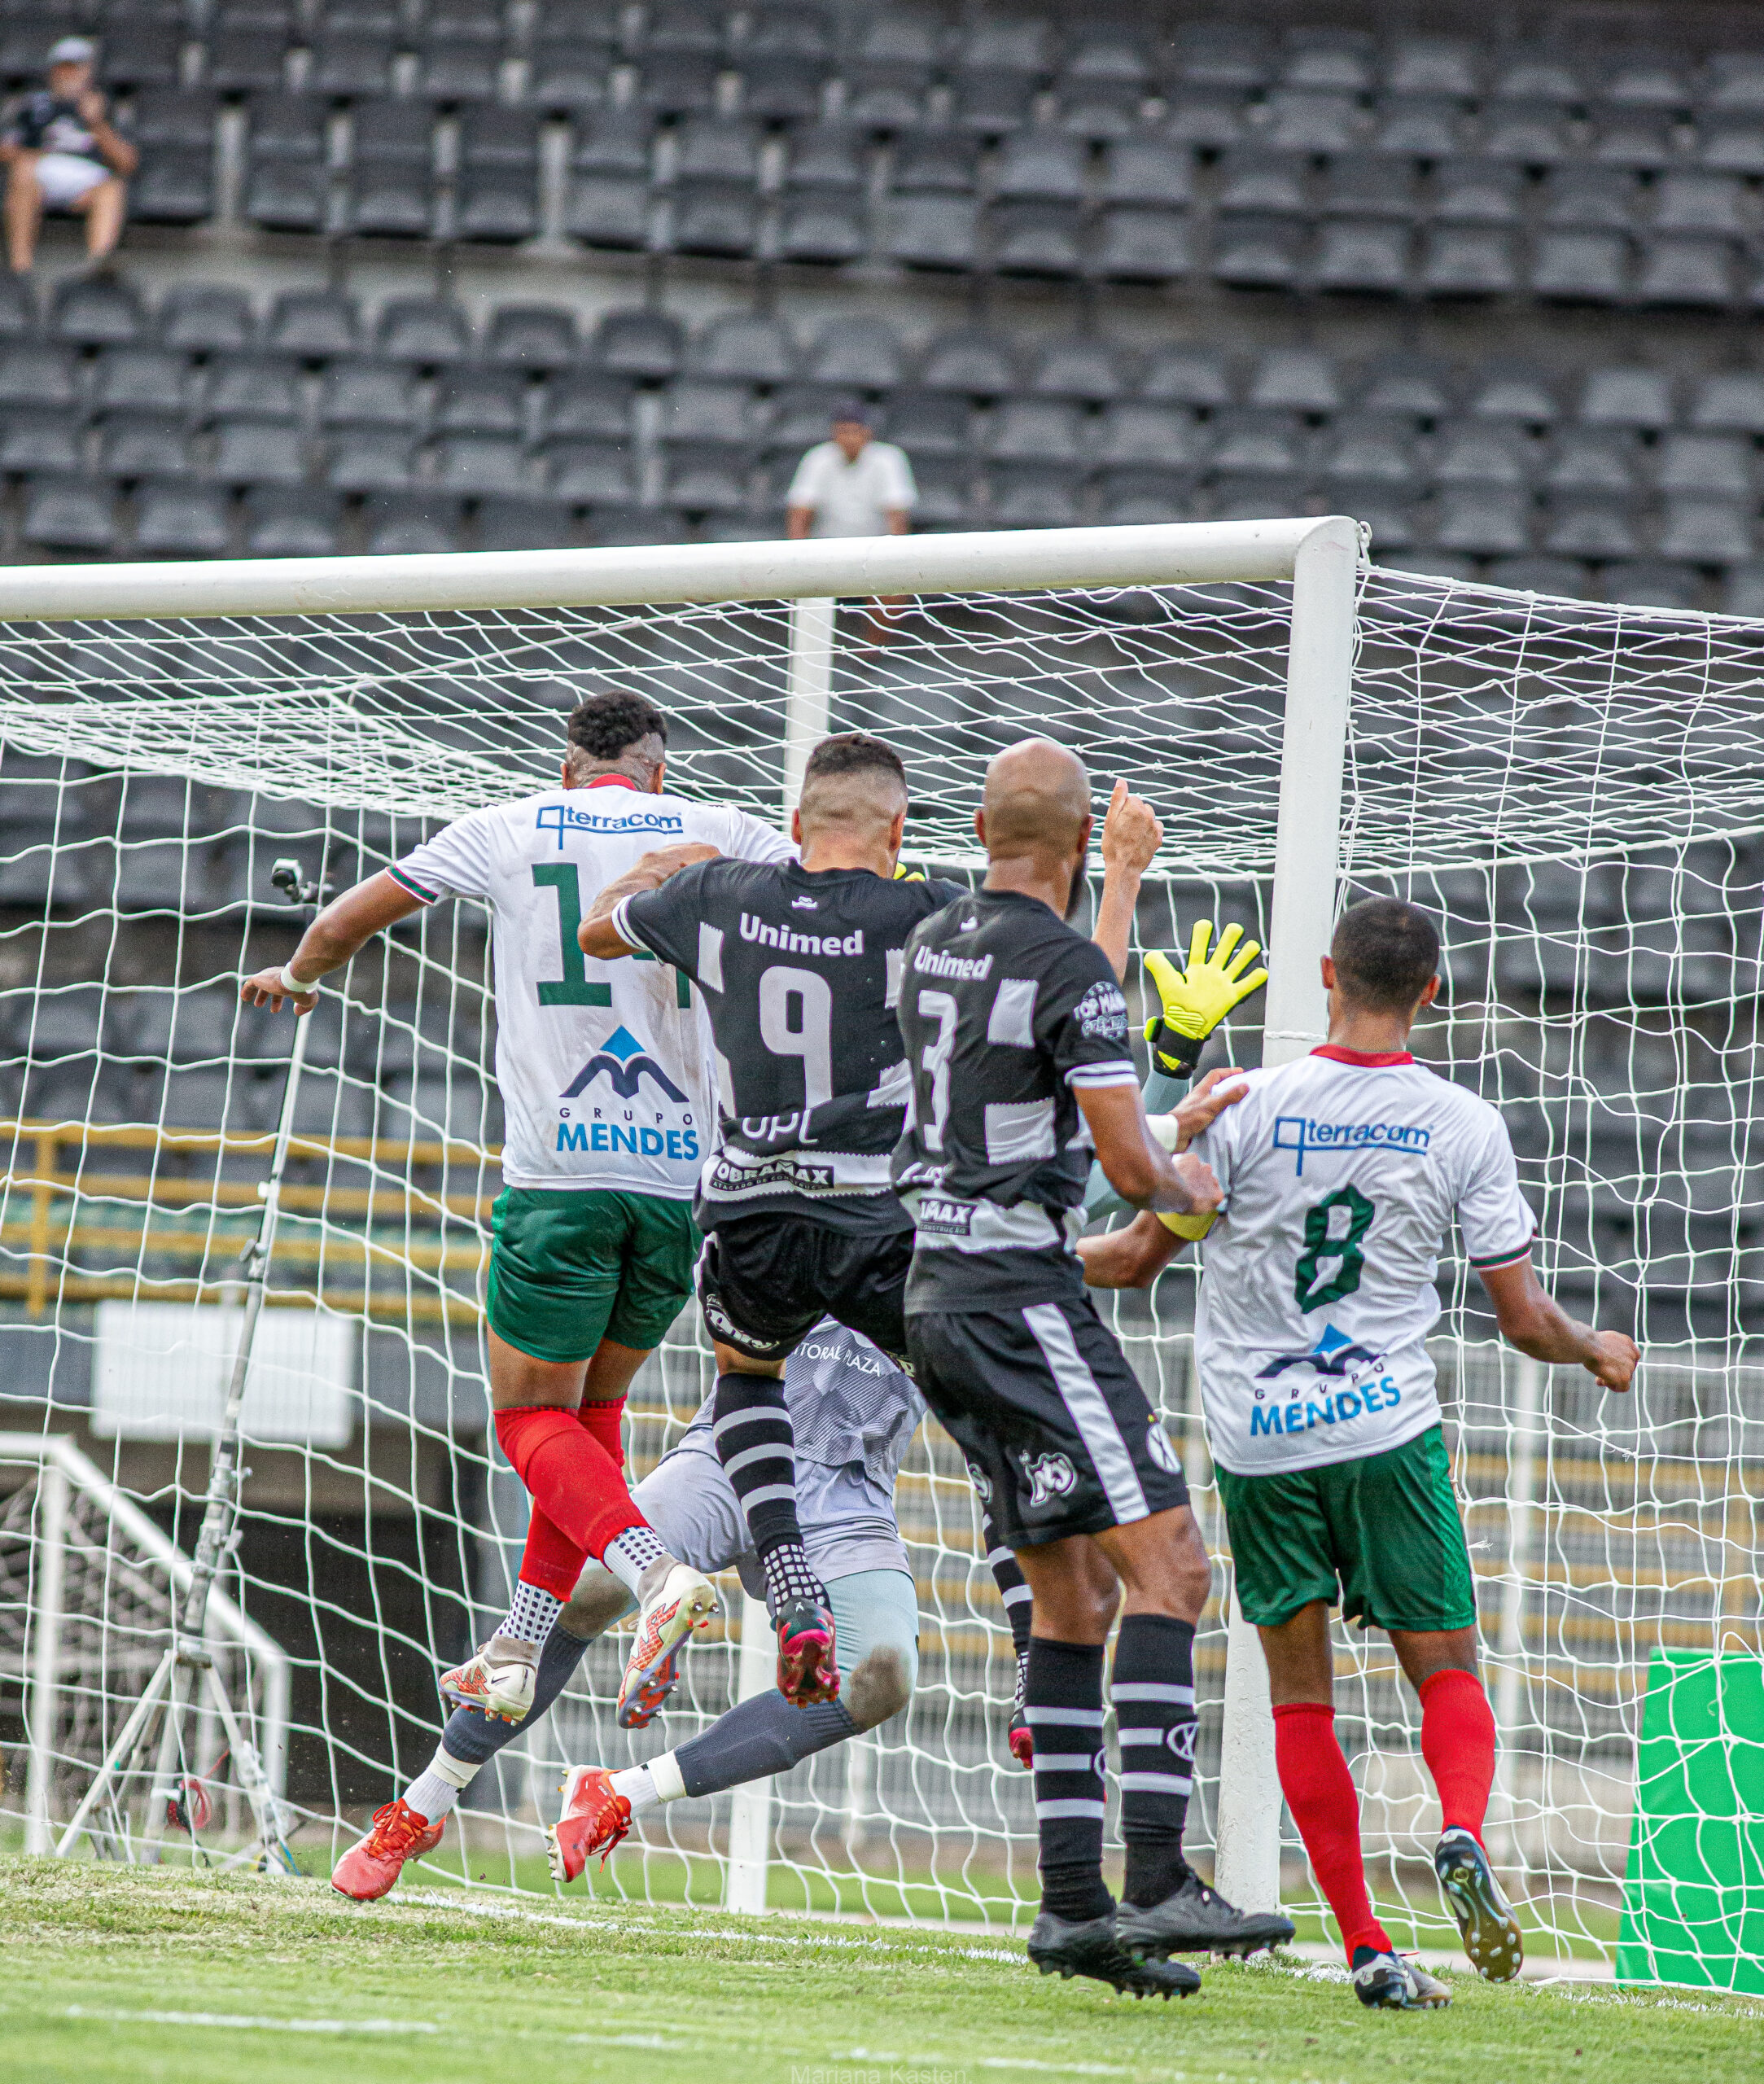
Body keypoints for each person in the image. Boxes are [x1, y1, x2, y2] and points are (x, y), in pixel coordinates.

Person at [243, 691, 798, 1887]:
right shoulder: (730, 829)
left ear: (567, 762)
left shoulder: (504, 827)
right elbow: (833, 887)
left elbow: (355, 914)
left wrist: (297, 972)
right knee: (588, 1428)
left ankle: (656, 1576)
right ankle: (517, 1643)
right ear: (656, 769)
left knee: (525, 1421)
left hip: (557, 1176)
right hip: (677, 1191)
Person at [1079, 895, 1641, 2012]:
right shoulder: (1460, 1123)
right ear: (1430, 992)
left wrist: (1013, 1250)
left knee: (1299, 1701)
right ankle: (1462, 1833)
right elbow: (1521, 1320)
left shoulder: (1239, 1106)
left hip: (1259, 1439)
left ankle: (1367, 1948)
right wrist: (1596, 1350)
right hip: (1384, 1429)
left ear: (1326, 975)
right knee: (1445, 1668)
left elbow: (1133, 1260)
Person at [577, 733, 1159, 1722]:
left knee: (745, 1380)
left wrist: (661, 868)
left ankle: (792, 1586)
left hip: (750, 1211)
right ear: (899, 832)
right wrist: (1118, 881)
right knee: (985, 1407)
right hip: (879, 1218)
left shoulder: (720, 897)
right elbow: (1065, 994)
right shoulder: (927, 916)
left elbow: (596, 933)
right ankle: (1031, 1638)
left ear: (797, 824)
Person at [891, 738, 1296, 1999]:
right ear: (1074, 843)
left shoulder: (936, 943)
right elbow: (1128, 1162)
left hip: (938, 1300)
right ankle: (1160, 1874)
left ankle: (1073, 1909)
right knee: (1170, 1566)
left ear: (977, 830)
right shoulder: (1061, 965)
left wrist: (1115, 889)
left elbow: (1061, 998)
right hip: (1026, 1300)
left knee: (1070, 1599)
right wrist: (1191, 1195)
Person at [333, 1320, 924, 1899]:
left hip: (851, 1495)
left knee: (882, 1675)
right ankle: (421, 1808)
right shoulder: (841, 1225)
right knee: (583, 1588)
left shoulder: (984, 1257)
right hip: (730, 1452)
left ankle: (621, 1793)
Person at [0, 37, 136, 274]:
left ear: (89, 72)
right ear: (53, 71)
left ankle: (99, 264)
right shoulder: (31, 105)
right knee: (22, 171)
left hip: (88, 176)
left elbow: (127, 163)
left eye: (77, 68)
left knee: (112, 188)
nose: (70, 74)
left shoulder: (108, 106)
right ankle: (20, 267)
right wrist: (31, 153)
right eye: (65, 67)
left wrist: (97, 123)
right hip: (41, 170)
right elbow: (6, 148)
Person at [785, 399, 915, 644]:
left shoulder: (889, 459)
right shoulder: (818, 458)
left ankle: (873, 647)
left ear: (868, 433)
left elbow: (897, 517)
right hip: (825, 547)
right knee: (801, 588)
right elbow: (800, 513)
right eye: (843, 431)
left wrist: (895, 559)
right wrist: (797, 555)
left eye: (855, 431)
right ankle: (812, 647)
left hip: (875, 548)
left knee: (894, 587)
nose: (849, 438)